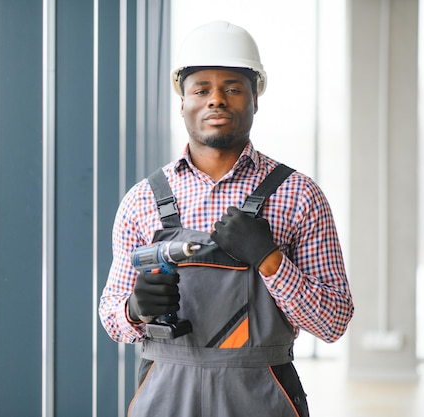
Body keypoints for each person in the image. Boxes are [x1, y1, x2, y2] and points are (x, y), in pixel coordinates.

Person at [99, 21, 353, 417]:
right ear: (182, 101)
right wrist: (134, 308)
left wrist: (270, 259)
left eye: (233, 88)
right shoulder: (142, 200)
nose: (216, 100)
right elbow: (111, 317)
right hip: (165, 395)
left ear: (255, 98)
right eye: (201, 90)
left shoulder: (299, 195)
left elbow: (333, 321)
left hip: (261, 395)